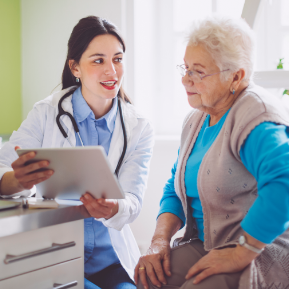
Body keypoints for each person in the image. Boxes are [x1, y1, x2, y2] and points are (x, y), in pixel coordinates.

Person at [134, 16, 289, 289]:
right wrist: (159, 241)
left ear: (236, 76)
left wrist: (242, 252)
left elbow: (284, 183)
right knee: (148, 279)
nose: (185, 79)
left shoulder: (256, 117)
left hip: (258, 250)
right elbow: (175, 187)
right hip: (208, 245)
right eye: (185, 67)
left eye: (198, 71)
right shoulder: (197, 118)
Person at [0, 16, 154, 289]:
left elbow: (133, 200)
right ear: (75, 67)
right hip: (57, 253)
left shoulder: (138, 127)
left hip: (112, 261)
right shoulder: (46, 113)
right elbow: (3, 167)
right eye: (98, 60)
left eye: (117, 59)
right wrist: (19, 180)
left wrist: (113, 207)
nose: (112, 71)